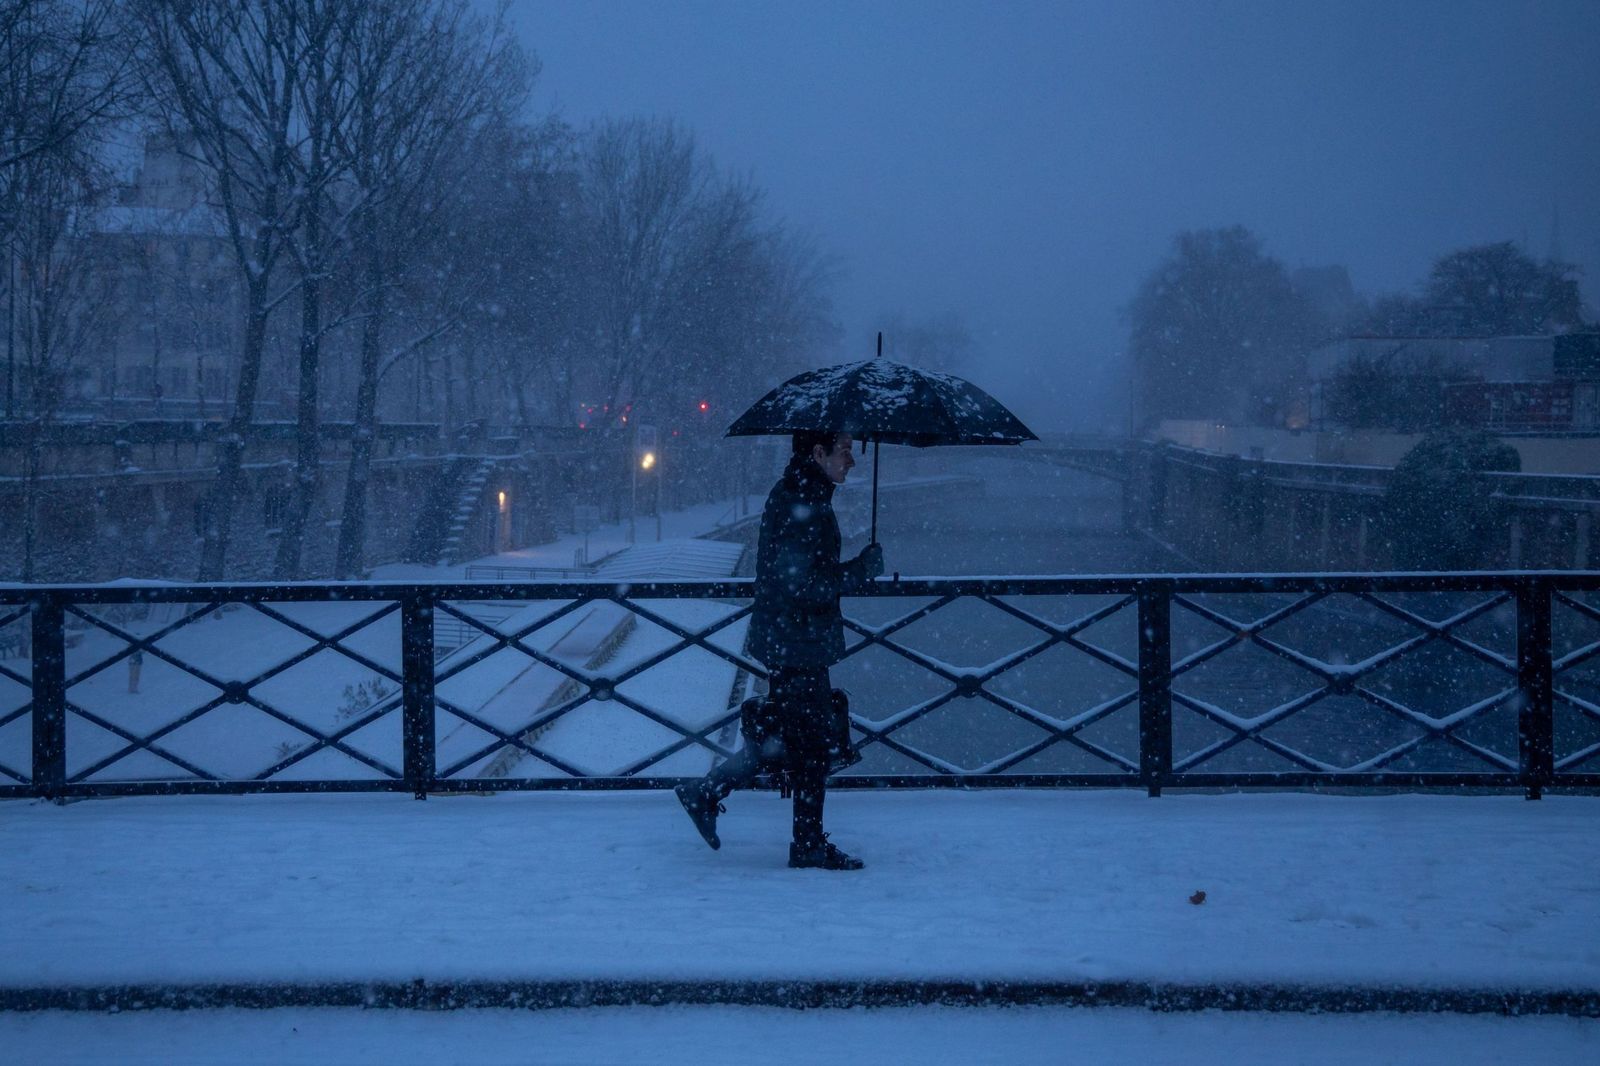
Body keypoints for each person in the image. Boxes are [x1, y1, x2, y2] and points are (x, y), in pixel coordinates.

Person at [675, 429, 884, 870]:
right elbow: (802, 583)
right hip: (795, 641)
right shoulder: (799, 502)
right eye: (845, 451)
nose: (852, 461)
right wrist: (860, 572)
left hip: (793, 639)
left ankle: (714, 796)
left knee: (796, 740)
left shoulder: (805, 493)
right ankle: (797, 838)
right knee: (810, 744)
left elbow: (801, 576)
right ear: (818, 452)